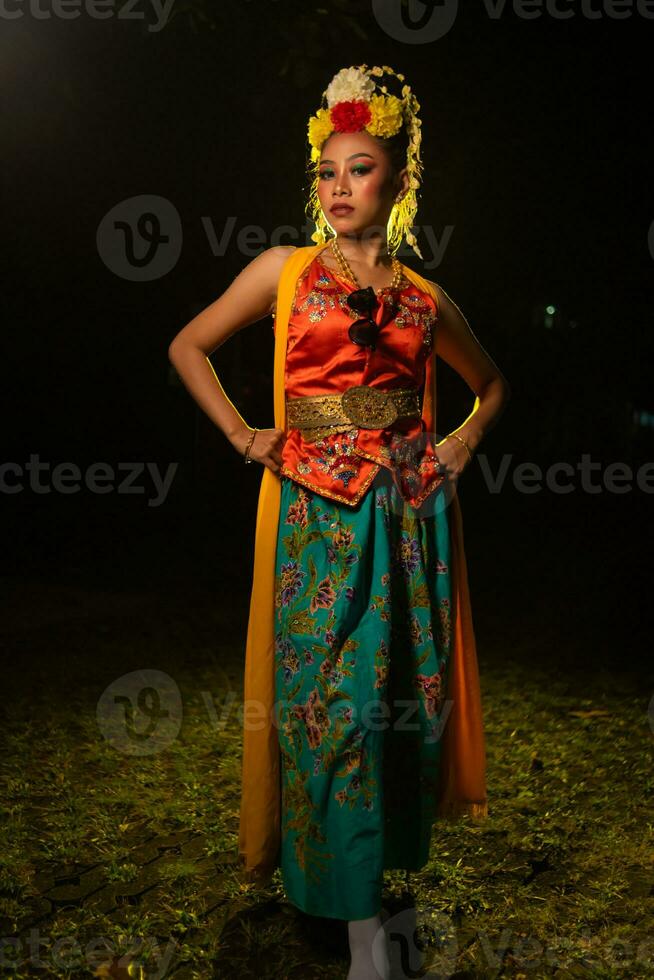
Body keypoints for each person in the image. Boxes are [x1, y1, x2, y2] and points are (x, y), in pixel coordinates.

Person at [168, 64, 510, 980]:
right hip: (314, 525)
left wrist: (463, 443)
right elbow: (189, 345)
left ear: (398, 180)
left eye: (359, 169)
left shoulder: (423, 296)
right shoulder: (284, 273)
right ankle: (353, 920)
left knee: (387, 707)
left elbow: (492, 385)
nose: (338, 187)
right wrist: (247, 436)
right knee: (329, 716)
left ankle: (362, 904)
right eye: (327, 171)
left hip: (404, 525)